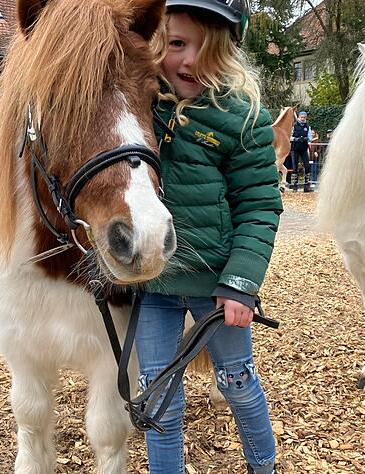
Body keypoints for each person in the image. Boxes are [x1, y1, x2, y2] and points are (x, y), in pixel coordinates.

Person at [142, 1, 283, 472]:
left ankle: (263, 465)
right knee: (158, 394)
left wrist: (241, 282)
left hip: (215, 283)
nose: (190, 61)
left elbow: (259, 205)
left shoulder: (241, 116)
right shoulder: (136, 102)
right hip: (152, 282)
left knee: (237, 382)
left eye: (207, 49)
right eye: (177, 43)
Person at [289, 110, 312, 192]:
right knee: (295, 167)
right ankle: (295, 187)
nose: (303, 119)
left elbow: (310, 137)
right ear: (299, 117)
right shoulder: (294, 126)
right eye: (302, 117)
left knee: (307, 166)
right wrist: (296, 139)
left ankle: (307, 186)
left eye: (304, 117)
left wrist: (307, 138)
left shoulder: (307, 126)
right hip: (295, 149)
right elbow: (289, 137)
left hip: (304, 148)